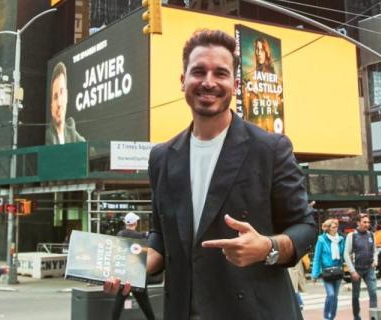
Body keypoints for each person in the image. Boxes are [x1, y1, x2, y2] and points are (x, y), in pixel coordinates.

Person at [104, 29, 316, 319]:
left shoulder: (270, 149)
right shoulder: (162, 157)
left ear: (235, 84)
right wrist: (132, 265)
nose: (208, 82)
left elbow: (305, 227)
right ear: (183, 81)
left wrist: (267, 247)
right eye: (199, 71)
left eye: (220, 73)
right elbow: (160, 236)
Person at [110, 213, 155, 320]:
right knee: (145, 303)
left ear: (126, 223)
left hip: (124, 274)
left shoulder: (119, 234)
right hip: (138, 275)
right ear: (135, 223)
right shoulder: (141, 236)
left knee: (119, 301)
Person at [344, 214, 378, 320]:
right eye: (365, 222)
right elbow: (346, 254)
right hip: (357, 270)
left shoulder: (371, 235)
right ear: (358, 223)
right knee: (355, 295)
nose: (367, 224)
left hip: (369, 269)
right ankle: (356, 317)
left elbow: (375, 250)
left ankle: (373, 316)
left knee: (373, 292)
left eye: (368, 222)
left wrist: (375, 260)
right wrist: (352, 271)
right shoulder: (352, 236)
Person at [312, 218, 345, 320]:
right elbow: (317, 258)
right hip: (327, 272)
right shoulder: (321, 240)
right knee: (330, 295)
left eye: (336, 227)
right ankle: (326, 317)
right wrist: (315, 274)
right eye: (334, 227)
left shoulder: (341, 239)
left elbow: (343, 254)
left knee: (335, 296)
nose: (336, 229)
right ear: (328, 229)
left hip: (338, 270)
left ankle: (332, 317)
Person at [46, 62, 84, 145]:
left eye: (61, 92)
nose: (59, 103)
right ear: (51, 105)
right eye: (55, 97)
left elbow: (91, 151)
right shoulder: (48, 137)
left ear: (66, 96)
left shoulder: (72, 132)